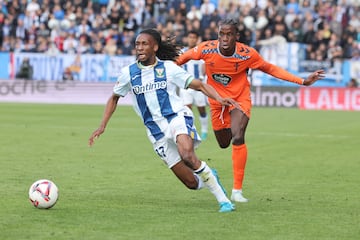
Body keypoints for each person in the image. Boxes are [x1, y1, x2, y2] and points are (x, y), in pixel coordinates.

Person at [88, 28, 238, 213]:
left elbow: (199, 85)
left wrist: (220, 98)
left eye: (144, 44)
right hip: (156, 133)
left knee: (188, 155)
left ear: (155, 47)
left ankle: (224, 201)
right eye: (137, 44)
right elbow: (114, 97)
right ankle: (209, 176)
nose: (140, 48)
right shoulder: (129, 73)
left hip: (176, 117)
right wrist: (102, 125)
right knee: (191, 183)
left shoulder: (168, 68)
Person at [176, 18, 325, 203]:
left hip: (240, 99)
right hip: (216, 101)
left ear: (236, 37)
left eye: (229, 34)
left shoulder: (247, 54)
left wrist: (302, 81)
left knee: (238, 136)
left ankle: (236, 191)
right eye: (222, 34)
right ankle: (218, 167)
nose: (224, 38)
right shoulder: (206, 49)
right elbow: (181, 59)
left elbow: (270, 68)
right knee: (224, 143)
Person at [179, 31, 209, 140]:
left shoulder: (200, 52)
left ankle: (204, 130)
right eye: (190, 37)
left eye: (193, 37)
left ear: (197, 39)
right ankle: (191, 132)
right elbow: (178, 66)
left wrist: (201, 79)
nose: (191, 39)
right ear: (187, 38)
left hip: (197, 85)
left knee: (201, 109)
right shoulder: (182, 52)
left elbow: (204, 66)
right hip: (186, 86)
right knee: (187, 110)